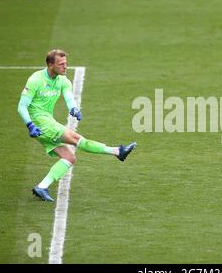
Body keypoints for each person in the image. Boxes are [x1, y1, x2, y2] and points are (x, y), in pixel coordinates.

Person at [17, 49, 136, 202]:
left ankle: (42, 186)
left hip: (47, 123)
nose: (65, 67)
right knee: (76, 139)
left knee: (69, 158)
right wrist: (30, 124)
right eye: (61, 64)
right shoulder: (36, 80)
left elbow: (69, 97)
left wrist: (73, 108)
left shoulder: (63, 81)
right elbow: (21, 106)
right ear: (50, 65)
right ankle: (117, 151)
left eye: (66, 63)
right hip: (40, 123)